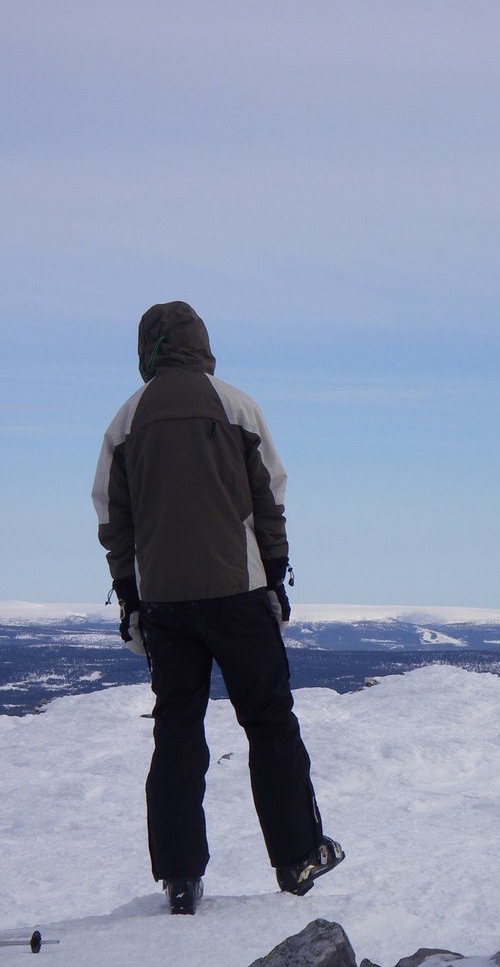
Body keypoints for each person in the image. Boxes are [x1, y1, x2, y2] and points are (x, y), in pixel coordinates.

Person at [91, 301, 344, 914]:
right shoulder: (236, 405)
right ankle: (298, 857)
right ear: (200, 342)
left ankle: (180, 879)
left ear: (147, 347)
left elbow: (111, 517)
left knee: (177, 730)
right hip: (239, 592)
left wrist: (130, 598)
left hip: (165, 603)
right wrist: (275, 576)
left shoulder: (126, 420)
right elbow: (270, 495)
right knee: (269, 721)